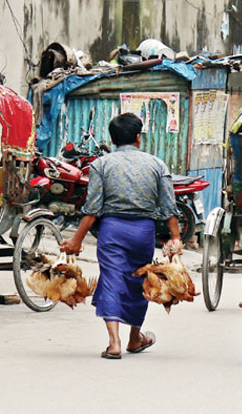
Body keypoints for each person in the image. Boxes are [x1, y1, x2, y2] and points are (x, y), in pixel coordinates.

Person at [60, 113, 182, 359]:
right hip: (143, 232)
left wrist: (76, 240)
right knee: (140, 281)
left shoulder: (101, 165)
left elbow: (92, 210)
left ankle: (114, 343)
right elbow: (169, 207)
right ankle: (135, 337)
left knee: (112, 280)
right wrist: (176, 237)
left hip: (112, 231)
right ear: (138, 138)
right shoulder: (156, 164)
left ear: (112, 139)